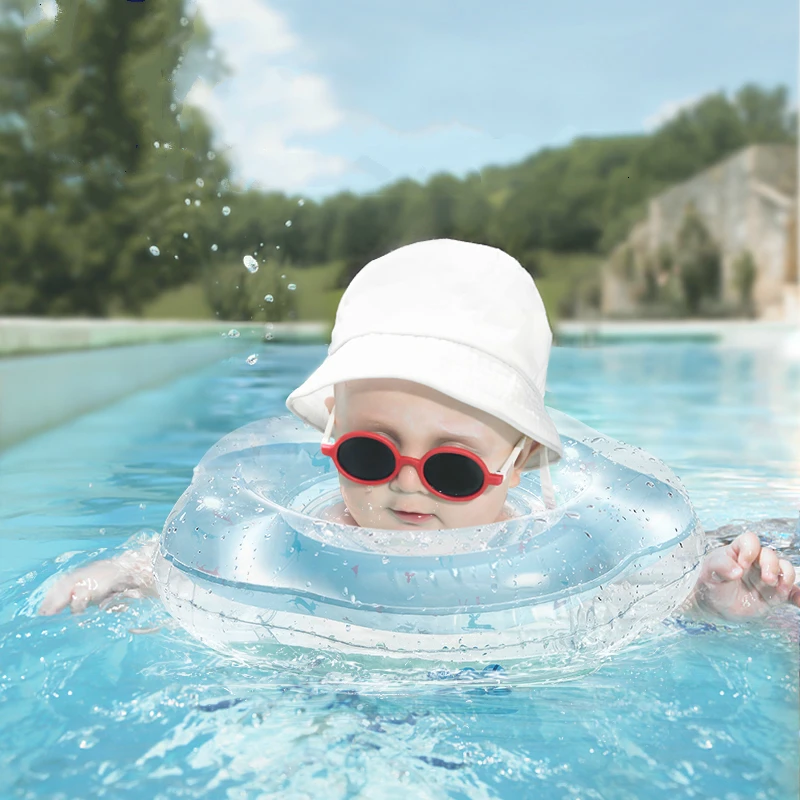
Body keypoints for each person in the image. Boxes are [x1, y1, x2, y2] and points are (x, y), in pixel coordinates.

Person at [39, 239, 800, 622]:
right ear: (331, 434)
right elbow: (196, 552)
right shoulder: (301, 533)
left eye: (454, 470)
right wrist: (130, 571)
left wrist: (712, 601)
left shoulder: (570, 541)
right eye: (369, 453)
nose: (406, 481)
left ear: (523, 457)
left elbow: (638, 592)